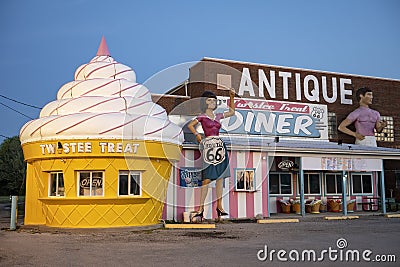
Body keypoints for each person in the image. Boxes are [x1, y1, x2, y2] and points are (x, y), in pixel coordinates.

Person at [187, 88, 236, 220]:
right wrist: (197, 135)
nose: (212, 102)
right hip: (208, 145)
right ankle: (201, 208)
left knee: (220, 177)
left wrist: (231, 97)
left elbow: (232, 112)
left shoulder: (218, 116)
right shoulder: (202, 116)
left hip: (219, 145)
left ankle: (220, 206)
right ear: (205, 102)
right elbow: (190, 125)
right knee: (207, 178)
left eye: (214, 100)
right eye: (209, 100)